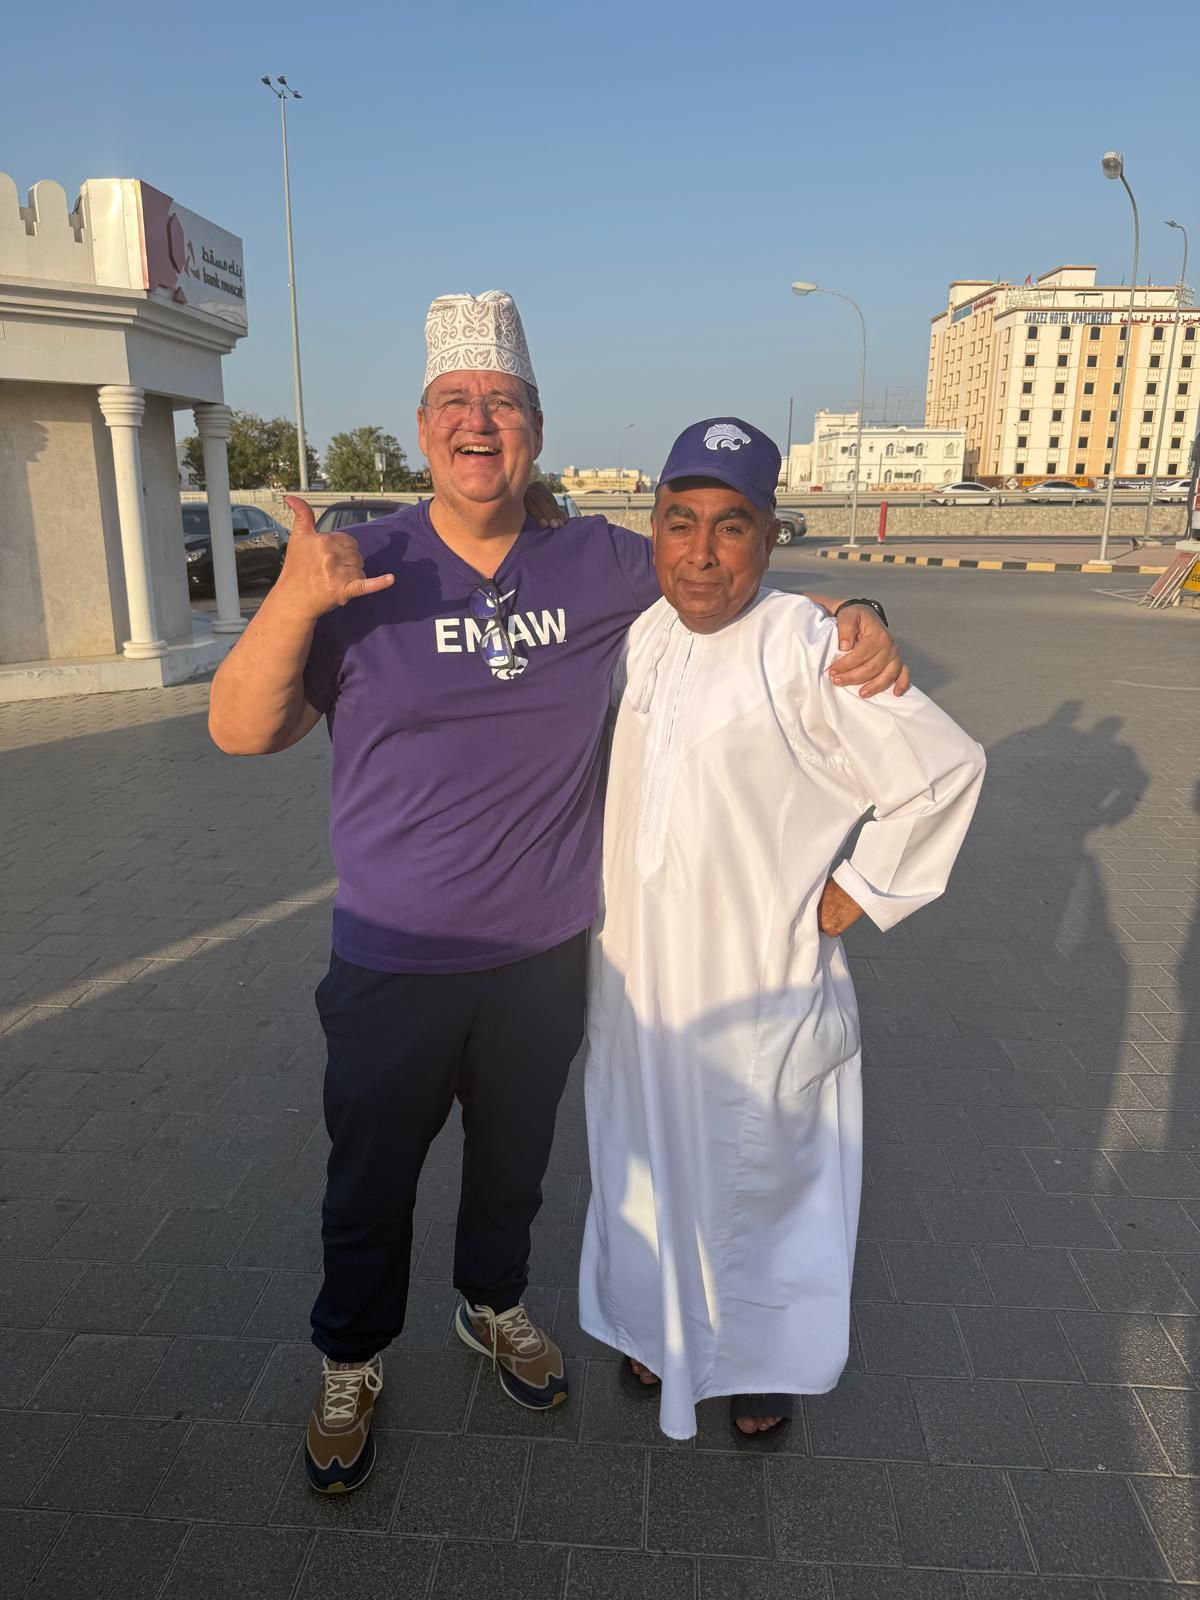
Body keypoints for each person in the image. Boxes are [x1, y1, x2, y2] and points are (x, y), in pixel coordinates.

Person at [207, 292, 907, 1494]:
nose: (478, 422)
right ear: (423, 427)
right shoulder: (362, 565)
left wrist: (858, 614)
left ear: (534, 427)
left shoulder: (599, 564)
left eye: (503, 403)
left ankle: (493, 1304)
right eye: (456, 402)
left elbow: (728, 575)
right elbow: (239, 729)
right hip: (394, 951)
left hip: (544, 952)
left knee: (513, 1166)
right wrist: (292, 597)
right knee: (369, 1180)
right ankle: (351, 1358)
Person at [579, 417, 985, 1445]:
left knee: (756, 1180)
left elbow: (944, 769)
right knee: (642, 1160)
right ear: (653, 529)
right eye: (680, 523)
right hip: (637, 977)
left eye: (731, 526)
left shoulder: (808, 647)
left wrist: (857, 889)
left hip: (757, 979)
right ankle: (654, 1328)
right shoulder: (641, 634)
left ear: (768, 537)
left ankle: (758, 1367)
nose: (701, 553)